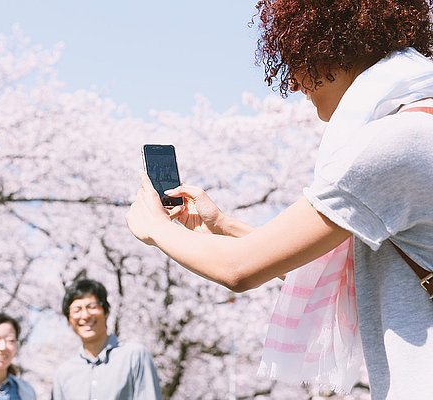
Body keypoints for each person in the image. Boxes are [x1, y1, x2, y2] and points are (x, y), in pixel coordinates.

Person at [125, 1, 433, 399]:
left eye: (298, 60)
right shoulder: (420, 123)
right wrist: (225, 225)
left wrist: (154, 226)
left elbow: (239, 270)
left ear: (333, 47)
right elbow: (327, 272)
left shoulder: (393, 144)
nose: (294, 84)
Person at [51, 279, 163, 400]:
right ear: (68, 319)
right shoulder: (63, 374)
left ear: (106, 311)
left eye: (92, 306)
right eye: (77, 310)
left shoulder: (134, 357)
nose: (85, 316)